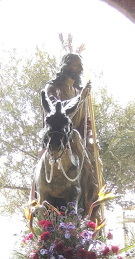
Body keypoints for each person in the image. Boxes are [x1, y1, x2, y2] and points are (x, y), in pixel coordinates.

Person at [43, 53, 101, 218]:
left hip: (79, 138)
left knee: (95, 164)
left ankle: (91, 205)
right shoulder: (52, 88)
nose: (78, 68)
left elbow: (87, 120)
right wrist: (79, 98)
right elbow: (57, 111)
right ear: (65, 66)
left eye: (79, 65)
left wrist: (91, 137)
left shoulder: (79, 91)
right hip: (59, 136)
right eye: (74, 64)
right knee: (75, 138)